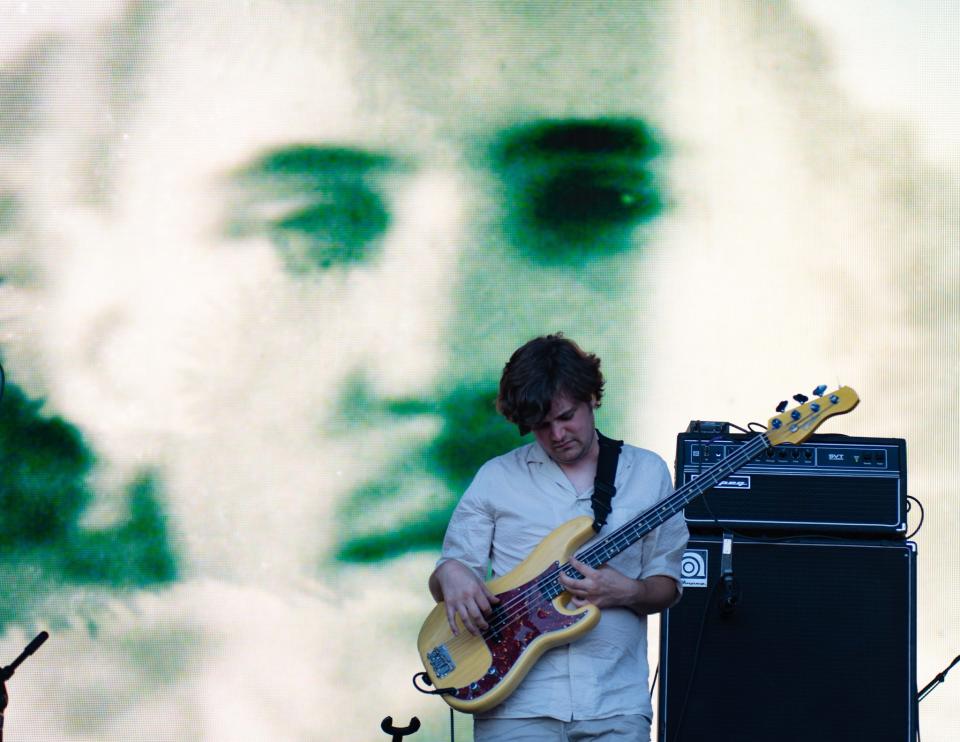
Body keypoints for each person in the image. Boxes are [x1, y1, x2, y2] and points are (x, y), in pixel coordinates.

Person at [0, 1, 954, 740]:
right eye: (313, 222)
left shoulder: (653, 486)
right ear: (88, 330)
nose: (434, 360)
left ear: (832, 282)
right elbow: (458, 562)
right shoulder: (494, 483)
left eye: (594, 202)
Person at [430, 334, 689, 741]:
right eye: (541, 425)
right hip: (514, 705)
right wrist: (452, 574)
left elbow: (667, 587)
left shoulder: (647, 472)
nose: (557, 434)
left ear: (591, 397)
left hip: (614, 703)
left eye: (566, 416)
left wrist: (626, 591)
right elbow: (450, 571)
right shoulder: (497, 478)